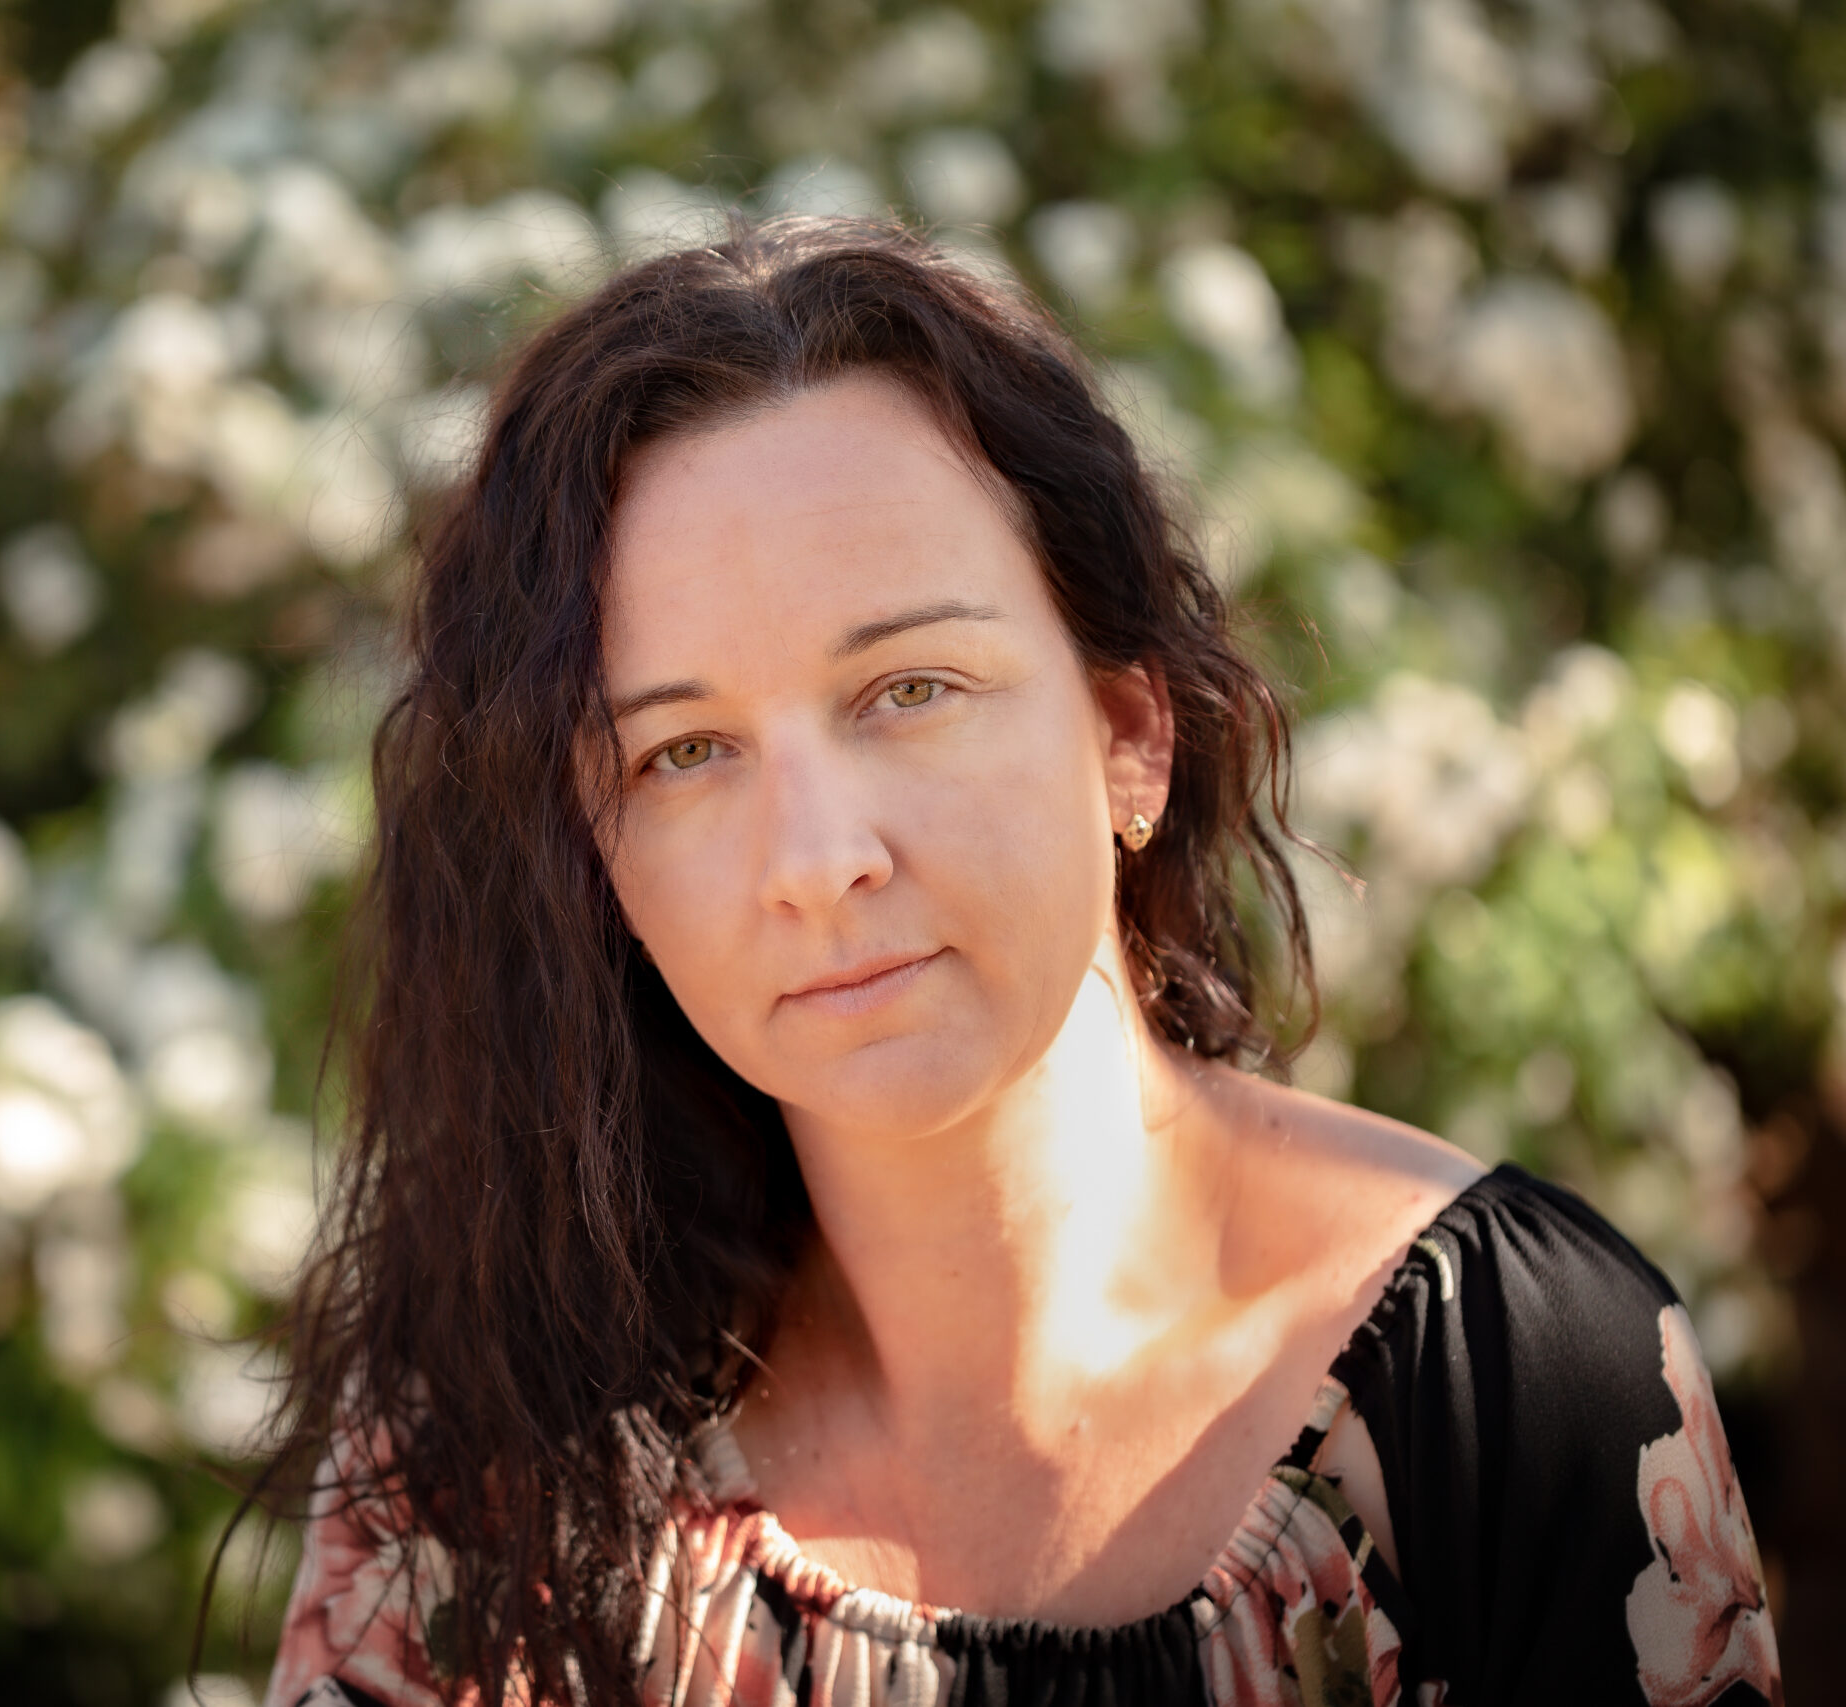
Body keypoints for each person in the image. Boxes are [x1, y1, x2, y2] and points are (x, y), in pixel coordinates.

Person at [242, 218, 1782, 1707]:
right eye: (687, 749)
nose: (815, 857)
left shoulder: (1518, 1388)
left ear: (1129, 736)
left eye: (910, 687)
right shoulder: (498, 1451)